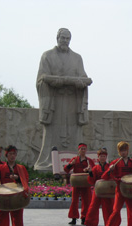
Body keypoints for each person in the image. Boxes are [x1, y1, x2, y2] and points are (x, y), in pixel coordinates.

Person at [34, 28, 92, 170]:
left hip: (72, 101)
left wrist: (81, 82)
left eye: (67, 38)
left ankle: (73, 162)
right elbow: (41, 79)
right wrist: (54, 81)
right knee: (52, 133)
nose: (65, 41)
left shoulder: (77, 58)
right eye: (63, 38)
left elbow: (84, 78)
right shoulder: (47, 56)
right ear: (57, 38)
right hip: (54, 101)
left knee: (74, 133)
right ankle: (48, 162)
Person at [83, 148, 114, 226]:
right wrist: (90, 172)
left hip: (107, 191)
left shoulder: (110, 167)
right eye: (101, 156)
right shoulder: (95, 168)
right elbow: (91, 181)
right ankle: (88, 224)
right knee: (93, 207)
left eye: (104, 156)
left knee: (108, 209)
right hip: (98, 190)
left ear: (106, 157)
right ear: (98, 158)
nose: (102, 158)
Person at [64, 143, 95, 225]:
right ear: (78, 150)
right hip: (77, 182)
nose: (83, 150)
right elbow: (66, 170)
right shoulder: (75, 159)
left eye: (84, 149)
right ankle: (74, 218)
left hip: (85, 182)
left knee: (86, 201)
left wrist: (89, 169)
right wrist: (71, 164)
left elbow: (94, 171)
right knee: (74, 200)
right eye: (82, 149)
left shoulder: (89, 161)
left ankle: (84, 218)